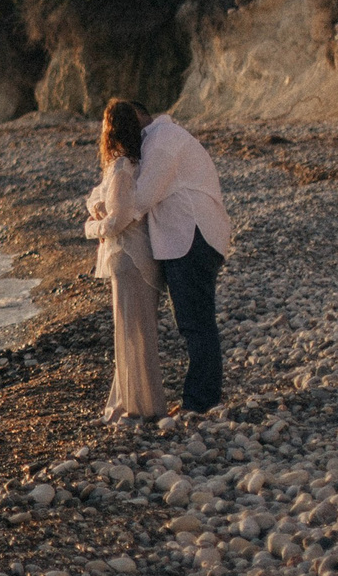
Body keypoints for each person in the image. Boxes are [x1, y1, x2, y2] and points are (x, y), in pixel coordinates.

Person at [89, 101, 233, 414]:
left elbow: (139, 198)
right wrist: (104, 207)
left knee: (195, 323)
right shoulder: (154, 142)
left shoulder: (163, 141)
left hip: (192, 236)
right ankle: (199, 398)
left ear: (140, 118)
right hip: (181, 237)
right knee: (193, 322)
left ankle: (201, 402)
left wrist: (103, 218)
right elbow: (112, 193)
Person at [83, 98, 166, 419]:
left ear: (110, 128)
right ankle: (137, 402)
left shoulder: (120, 168)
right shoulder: (127, 164)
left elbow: (119, 220)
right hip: (132, 257)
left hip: (129, 258)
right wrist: (97, 207)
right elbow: (97, 196)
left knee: (134, 332)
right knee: (135, 332)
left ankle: (141, 406)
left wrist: (91, 228)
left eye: (104, 124)